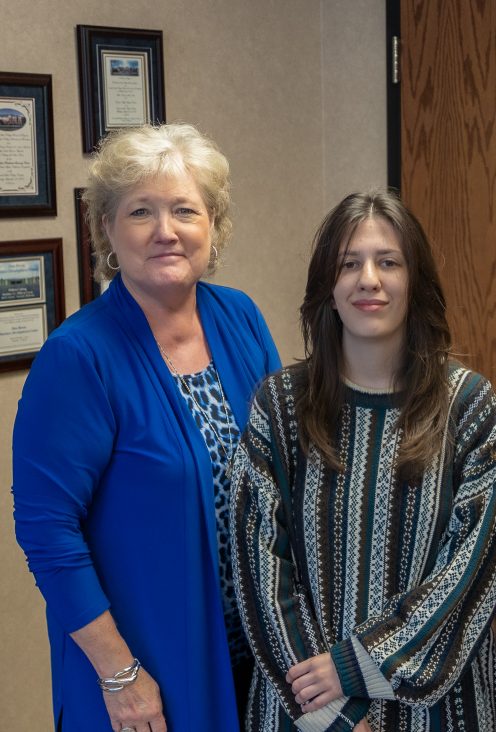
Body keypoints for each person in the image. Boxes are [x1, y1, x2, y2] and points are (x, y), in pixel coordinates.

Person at [12, 123, 281, 731]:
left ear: (212, 223)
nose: (166, 232)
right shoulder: (79, 357)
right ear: (106, 227)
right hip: (144, 670)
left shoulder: (239, 317)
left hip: (256, 656)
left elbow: (279, 473)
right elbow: (47, 529)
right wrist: (119, 674)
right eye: (141, 212)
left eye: (184, 210)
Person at [230, 190, 496, 732]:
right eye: (349, 264)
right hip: (307, 708)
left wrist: (357, 666)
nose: (368, 279)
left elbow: (472, 568)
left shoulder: (467, 404)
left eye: (388, 262)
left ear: (415, 284)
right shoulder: (280, 406)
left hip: (439, 710)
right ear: (328, 290)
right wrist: (334, 710)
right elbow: (261, 567)